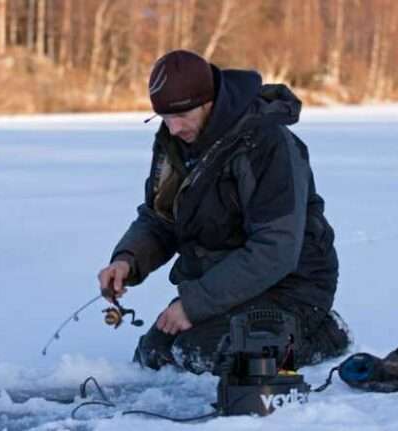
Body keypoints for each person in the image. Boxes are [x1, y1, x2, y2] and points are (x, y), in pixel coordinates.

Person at [97, 50, 350, 375]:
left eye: (181, 115)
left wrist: (194, 304)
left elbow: (276, 248)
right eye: (163, 117)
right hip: (227, 284)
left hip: (293, 286)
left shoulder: (266, 143)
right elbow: (161, 217)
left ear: (209, 102)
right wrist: (128, 260)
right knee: (154, 355)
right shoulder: (176, 142)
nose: (172, 128)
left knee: (199, 353)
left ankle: (324, 335)